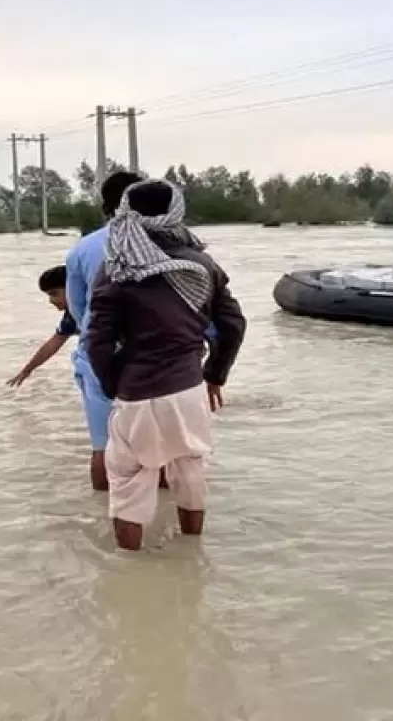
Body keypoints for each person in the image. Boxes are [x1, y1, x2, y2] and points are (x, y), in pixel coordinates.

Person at [87, 179, 245, 551]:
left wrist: (114, 384)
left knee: (129, 482)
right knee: (190, 468)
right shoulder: (203, 264)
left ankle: (130, 570)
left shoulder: (117, 268)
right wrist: (214, 376)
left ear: (126, 210)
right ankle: (192, 551)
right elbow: (233, 325)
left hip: (137, 391)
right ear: (177, 211)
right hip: (189, 389)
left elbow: (97, 340)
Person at [64, 171, 144, 491]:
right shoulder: (172, 244)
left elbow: (78, 309)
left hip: (100, 355)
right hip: (157, 359)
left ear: (104, 208)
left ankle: (104, 522)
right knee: (164, 452)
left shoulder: (83, 250)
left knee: (103, 446)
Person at [7, 266, 78, 388]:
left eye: (54, 293)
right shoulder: (72, 315)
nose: (51, 300)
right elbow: (55, 342)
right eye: (48, 295)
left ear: (73, 288)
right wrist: (27, 369)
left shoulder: (98, 306)